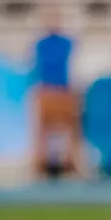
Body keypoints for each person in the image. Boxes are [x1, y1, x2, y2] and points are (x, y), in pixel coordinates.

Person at [30, 12, 81, 178]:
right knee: (42, 132)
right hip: (47, 91)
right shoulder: (41, 44)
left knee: (71, 130)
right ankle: (40, 164)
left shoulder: (67, 43)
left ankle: (71, 163)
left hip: (63, 91)